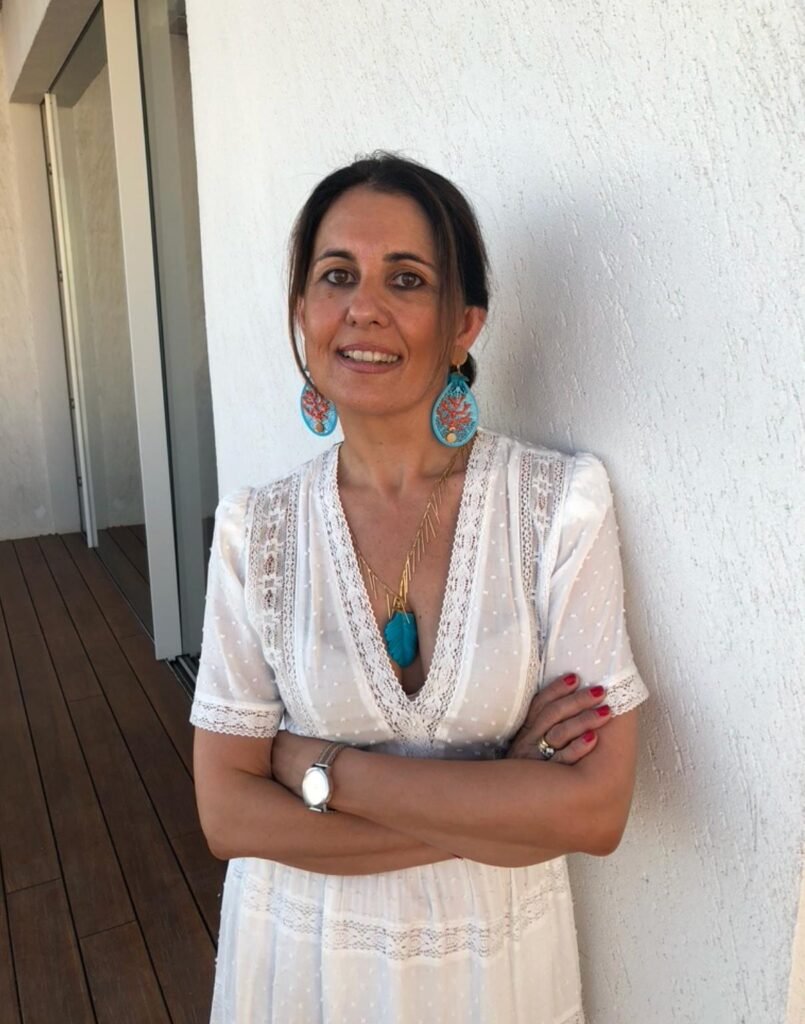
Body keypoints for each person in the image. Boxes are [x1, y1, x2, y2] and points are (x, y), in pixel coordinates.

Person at [190, 152, 649, 1023]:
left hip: (492, 965)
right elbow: (226, 815)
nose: (363, 306)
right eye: (336, 276)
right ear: (302, 312)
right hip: (303, 964)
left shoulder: (557, 508)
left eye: (406, 278)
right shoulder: (259, 532)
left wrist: (311, 768)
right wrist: (507, 800)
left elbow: (594, 813)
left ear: (463, 322)